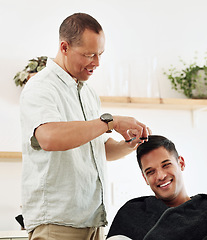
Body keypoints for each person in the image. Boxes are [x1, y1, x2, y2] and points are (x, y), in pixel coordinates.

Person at [20, 13, 150, 240]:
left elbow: (101, 149)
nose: (97, 63)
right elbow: (49, 137)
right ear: (64, 47)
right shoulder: (40, 87)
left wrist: (129, 145)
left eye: (100, 54)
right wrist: (111, 122)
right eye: (89, 55)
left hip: (93, 223)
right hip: (57, 225)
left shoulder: (88, 93)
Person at [107, 135, 207, 240]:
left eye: (166, 165)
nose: (160, 176)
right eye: (150, 172)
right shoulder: (132, 214)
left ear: (181, 163)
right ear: (144, 178)